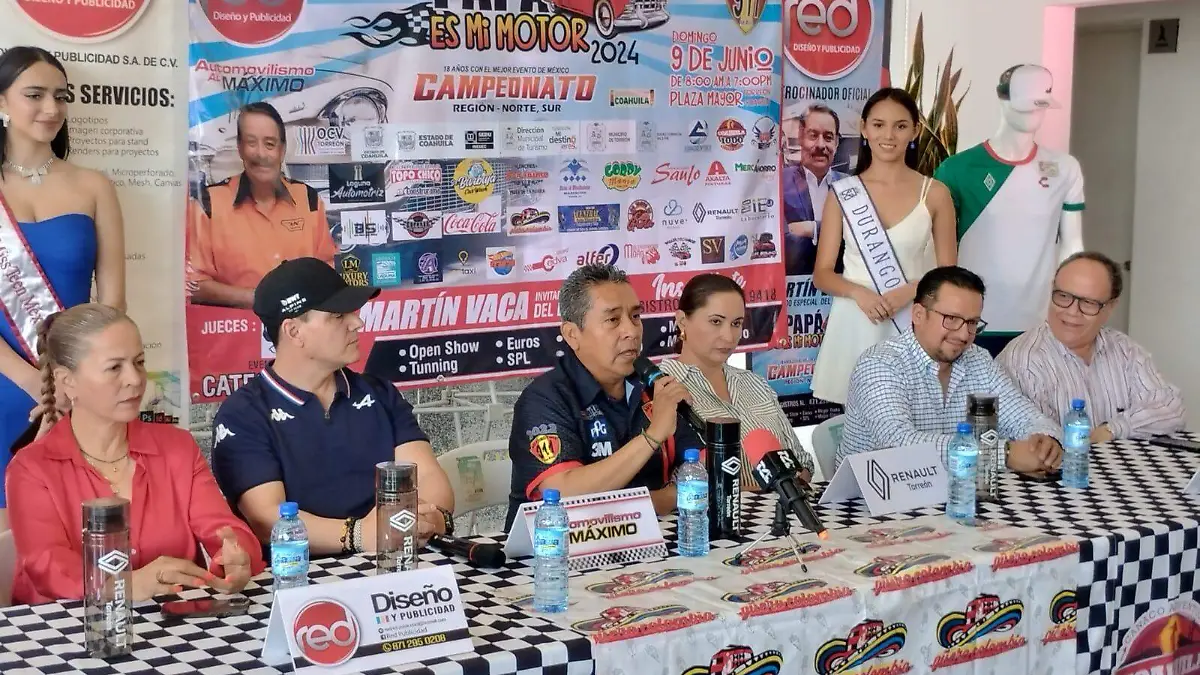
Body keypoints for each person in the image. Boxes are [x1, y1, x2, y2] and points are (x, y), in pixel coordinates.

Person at [5, 305, 262, 605]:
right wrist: (124, 585)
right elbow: (46, 565)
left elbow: (223, 528)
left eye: (139, 362)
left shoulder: (177, 447)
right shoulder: (30, 468)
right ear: (67, 381)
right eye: (115, 367)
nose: (135, 379)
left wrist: (236, 556)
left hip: (172, 621)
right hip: (68, 625)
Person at [211, 258, 454, 556]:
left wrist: (432, 517)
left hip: (394, 562)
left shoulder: (379, 392)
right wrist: (359, 535)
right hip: (298, 574)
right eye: (338, 315)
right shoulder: (243, 414)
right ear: (294, 332)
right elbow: (266, 518)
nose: (357, 323)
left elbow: (427, 475)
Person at [0, 47, 125, 521]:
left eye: (60, 96)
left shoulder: (94, 186)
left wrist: (79, 381)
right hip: (9, 381)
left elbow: (113, 303)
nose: (51, 108)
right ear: (2, 101)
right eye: (34, 95)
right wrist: (35, 381)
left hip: (80, 386)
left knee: (81, 527)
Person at [505, 264, 703, 531]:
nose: (631, 331)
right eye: (613, 320)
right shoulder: (543, 399)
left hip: (646, 541)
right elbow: (563, 493)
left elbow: (700, 466)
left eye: (635, 316)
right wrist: (653, 436)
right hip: (553, 549)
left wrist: (655, 500)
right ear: (572, 335)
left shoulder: (651, 385)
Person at [810, 88, 958, 405]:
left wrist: (910, 291)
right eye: (878, 125)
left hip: (913, 320)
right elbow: (822, 274)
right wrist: (858, 293)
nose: (888, 135)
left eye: (900, 126)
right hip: (856, 321)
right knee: (855, 423)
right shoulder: (843, 193)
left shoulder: (935, 193)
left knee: (916, 414)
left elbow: (949, 274)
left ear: (915, 131)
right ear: (864, 129)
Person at [839, 266, 1063, 474]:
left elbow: (1024, 417)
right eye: (952, 319)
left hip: (955, 490)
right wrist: (1002, 454)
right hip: (870, 496)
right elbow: (898, 444)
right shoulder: (880, 364)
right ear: (918, 314)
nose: (964, 334)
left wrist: (1046, 441)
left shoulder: (978, 359)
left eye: (972, 323)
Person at [998, 252, 1185, 441]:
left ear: (1110, 307)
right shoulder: (1024, 361)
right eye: (1063, 296)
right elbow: (1041, 443)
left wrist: (1112, 429)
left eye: (1088, 303)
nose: (1072, 311)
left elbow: (1171, 408)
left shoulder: (1126, 350)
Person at [658, 274, 814, 487]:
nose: (729, 337)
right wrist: (755, 493)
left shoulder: (755, 384)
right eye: (716, 321)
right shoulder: (661, 389)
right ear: (682, 321)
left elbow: (802, 462)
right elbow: (665, 485)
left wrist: (794, 486)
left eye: (736, 323)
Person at [187, 101, 337, 309]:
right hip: (235, 328)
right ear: (240, 148)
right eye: (251, 143)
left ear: (282, 150)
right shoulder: (208, 205)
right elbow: (194, 285)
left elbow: (327, 271)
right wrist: (257, 299)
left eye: (269, 144)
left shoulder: (308, 200)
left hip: (301, 326)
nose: (260, 154)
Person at [782, 104, 847, 276]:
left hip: (839, 284)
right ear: (800, 137)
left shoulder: (851, 187)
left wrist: (812, 228)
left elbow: (859, 235)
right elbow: (775, 236)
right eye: (813, 135)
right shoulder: (779, 183)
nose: (821, 145)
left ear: (837, 142)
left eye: (828, 137)